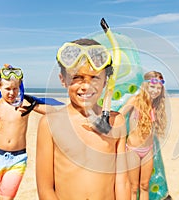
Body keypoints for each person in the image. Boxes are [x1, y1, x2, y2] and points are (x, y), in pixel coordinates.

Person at [36, 38, 129, 200]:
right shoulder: (50, 124)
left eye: (94, 78)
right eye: (77, 77)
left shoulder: (116, 122)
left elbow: (122, 182)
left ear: (106, 81)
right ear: (63, 79)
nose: (86, 86)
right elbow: (45, 188)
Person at [0, 64, 54, 200]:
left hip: (18, 159)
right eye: (7, 89)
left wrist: (33, 105)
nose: (11, 93)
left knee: (7, 197)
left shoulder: (24, 104)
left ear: (20, 87)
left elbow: (52, 112)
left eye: (15, 88)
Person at [119, 71, 169, 200]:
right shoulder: (135, 100)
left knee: (145, 185)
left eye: (158, 88)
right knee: (133, 187)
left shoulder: (156, 104)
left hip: (148, 150)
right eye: (152, 87)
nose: (155, 91)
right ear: (145, 85)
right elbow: (120, 115)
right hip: (133, 150)